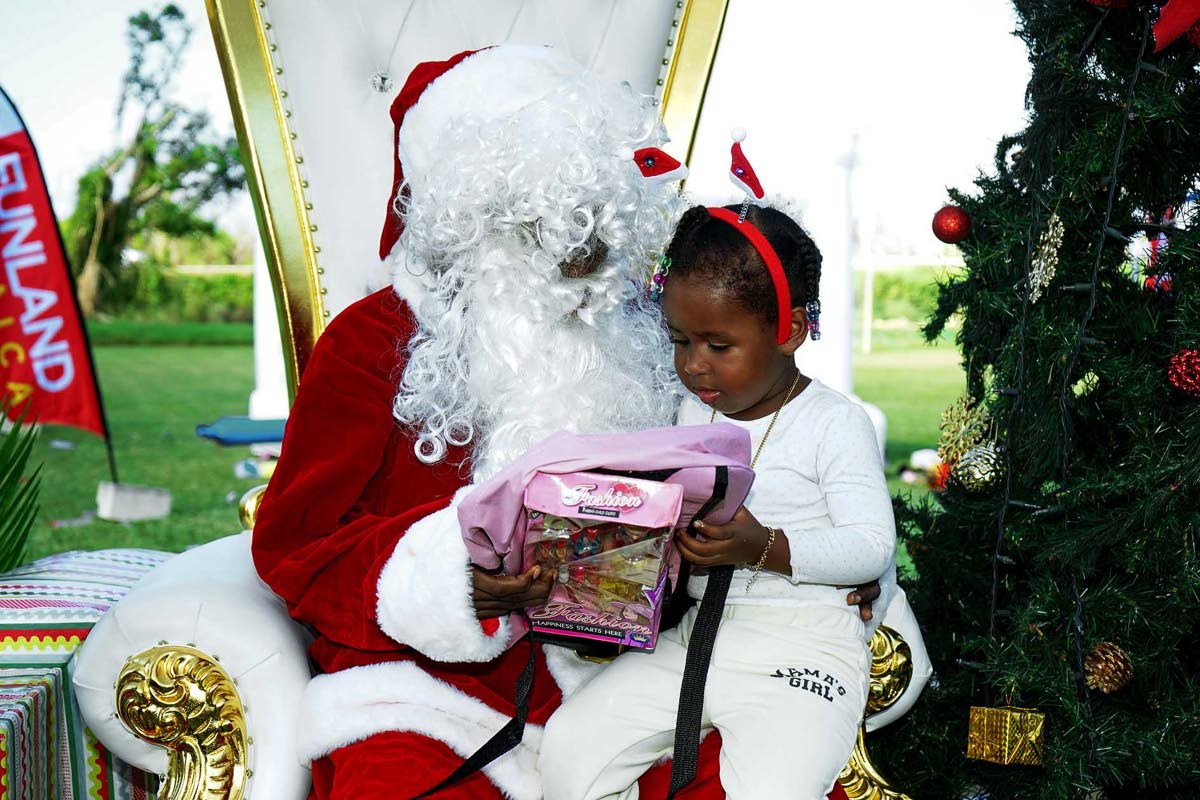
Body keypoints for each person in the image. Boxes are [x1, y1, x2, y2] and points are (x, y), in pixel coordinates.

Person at [251, 47, 880, 800]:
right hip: (431, 695)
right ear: (478, 225)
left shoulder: (660, 334)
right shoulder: (371, 342)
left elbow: (778, 466)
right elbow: (298, 549)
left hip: (643, 673)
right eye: (555, 232)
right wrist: (459, 581)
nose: (588, 263)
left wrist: (818, 570)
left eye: (602, 231)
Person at [540, 185, 897, 800]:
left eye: (718, 346)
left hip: (804, 651)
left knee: (774, 788)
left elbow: (870, 547)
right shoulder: (689, 411)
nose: (694, 366)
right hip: (696, 639)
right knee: (570, 750)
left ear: (789, 331)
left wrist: (765, 547)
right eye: (680, 341)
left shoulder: (833, 422)